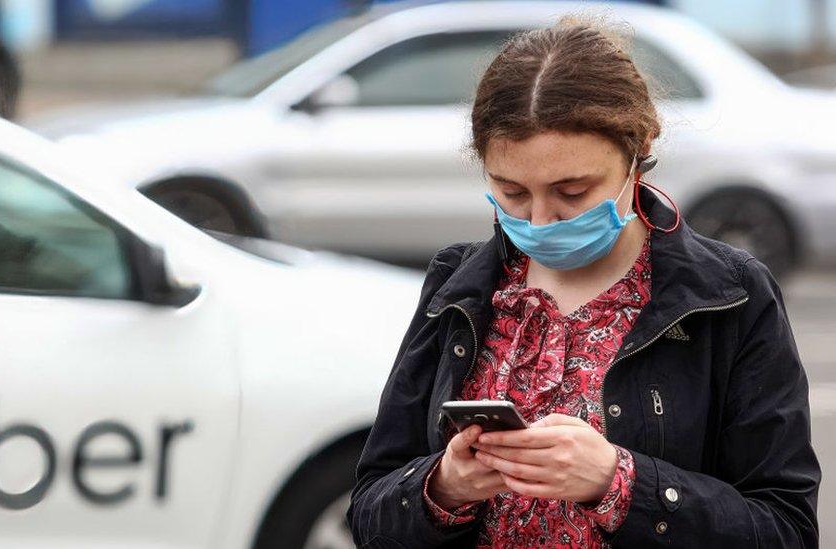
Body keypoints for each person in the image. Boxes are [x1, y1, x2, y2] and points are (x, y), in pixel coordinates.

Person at [346, 15, 820, 549]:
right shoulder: (460, 286)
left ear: (637, 149)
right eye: (512, 193)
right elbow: (368, 514)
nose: (541, 220)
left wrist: (619, 483)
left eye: (572, 192)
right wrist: (444, 488)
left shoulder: (728, 296)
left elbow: (786, 530)